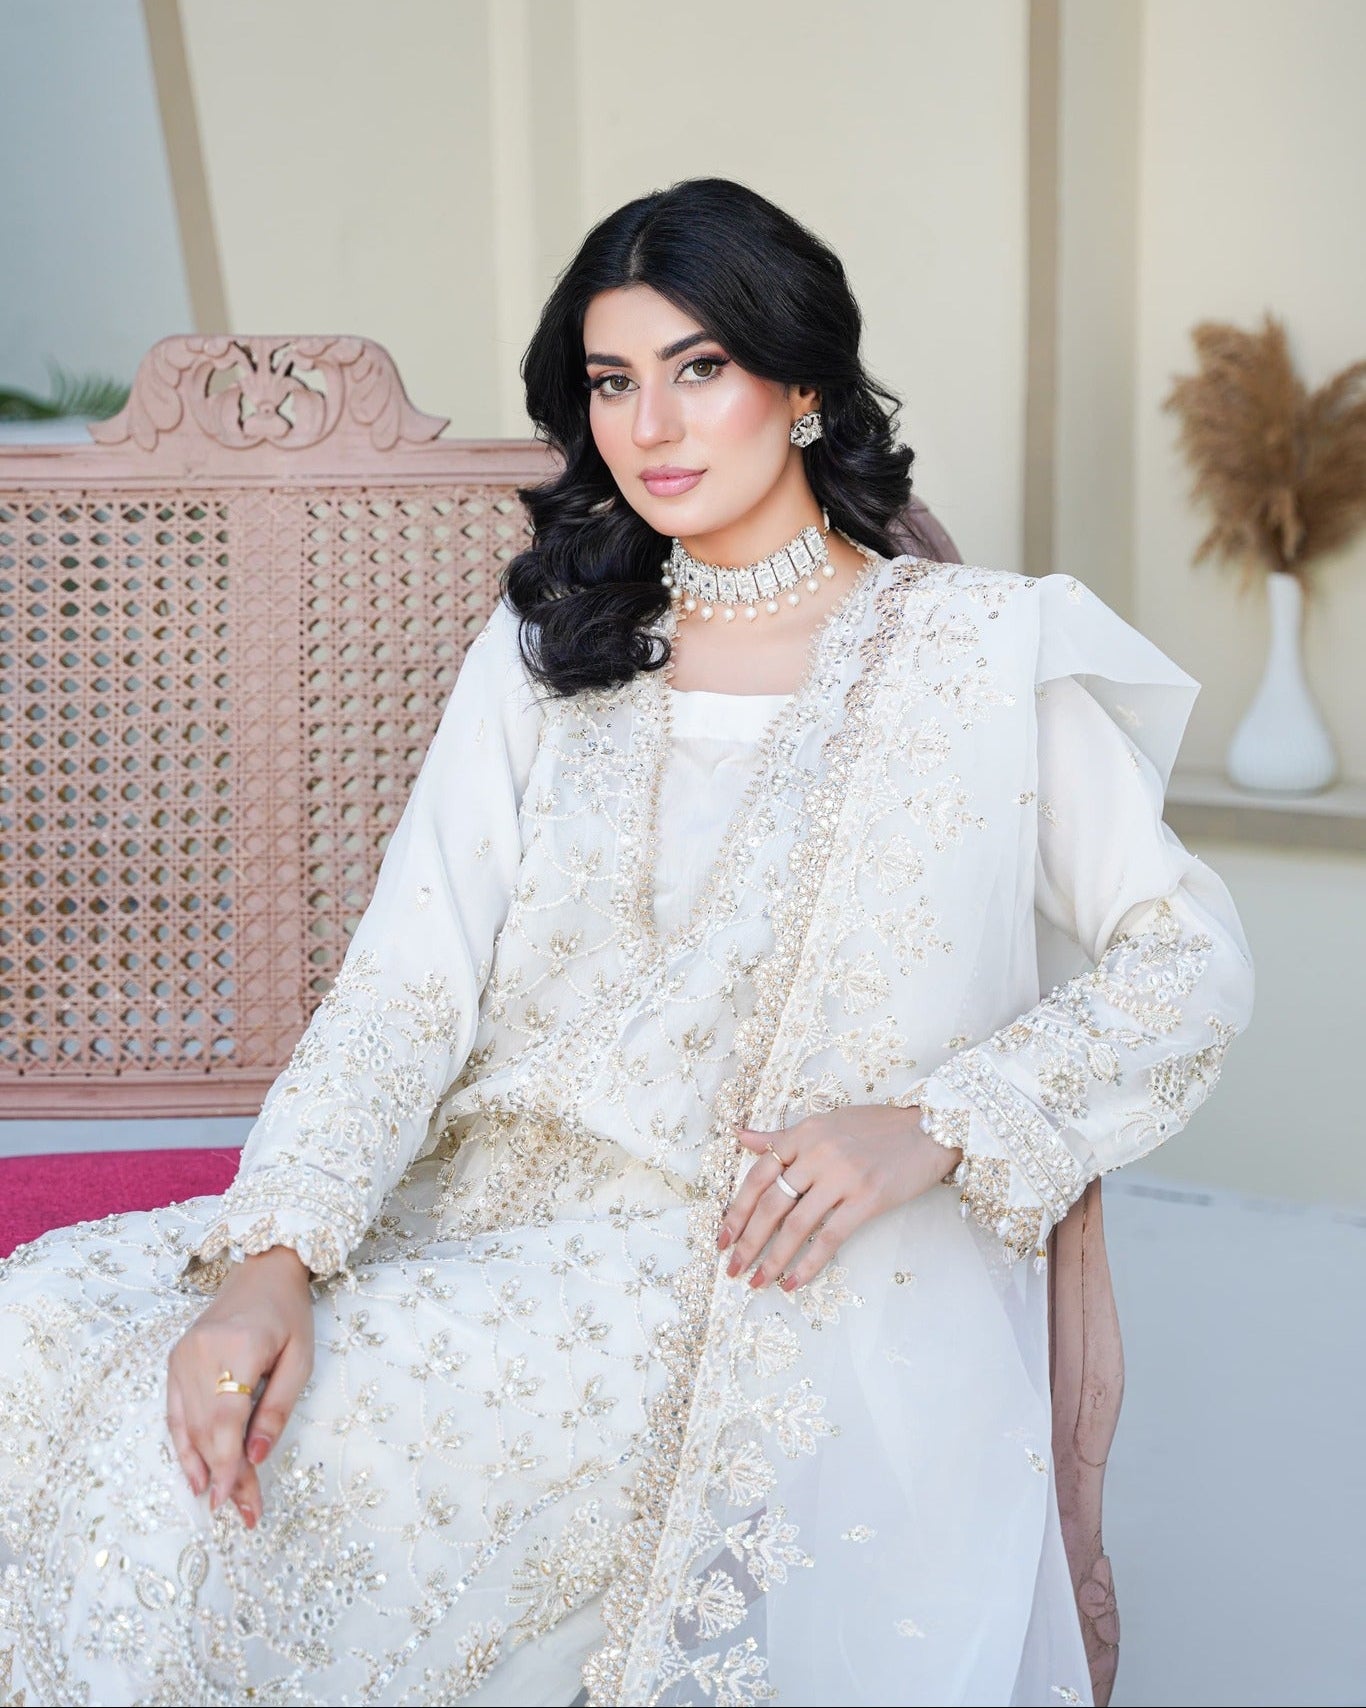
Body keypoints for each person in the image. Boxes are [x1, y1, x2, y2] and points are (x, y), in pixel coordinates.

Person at [0, 177, 1254, 1707]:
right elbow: (406, 987)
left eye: (698, 368)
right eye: (610, 381)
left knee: (264, 1444)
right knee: (39, 1334)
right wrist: (275, 1259)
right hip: (480, 1205)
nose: (649, 425)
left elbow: (1185, 960)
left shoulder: (977, 654)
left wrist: (932, 1123)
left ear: (801, 389)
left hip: (754, 1260)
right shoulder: (553, 645)